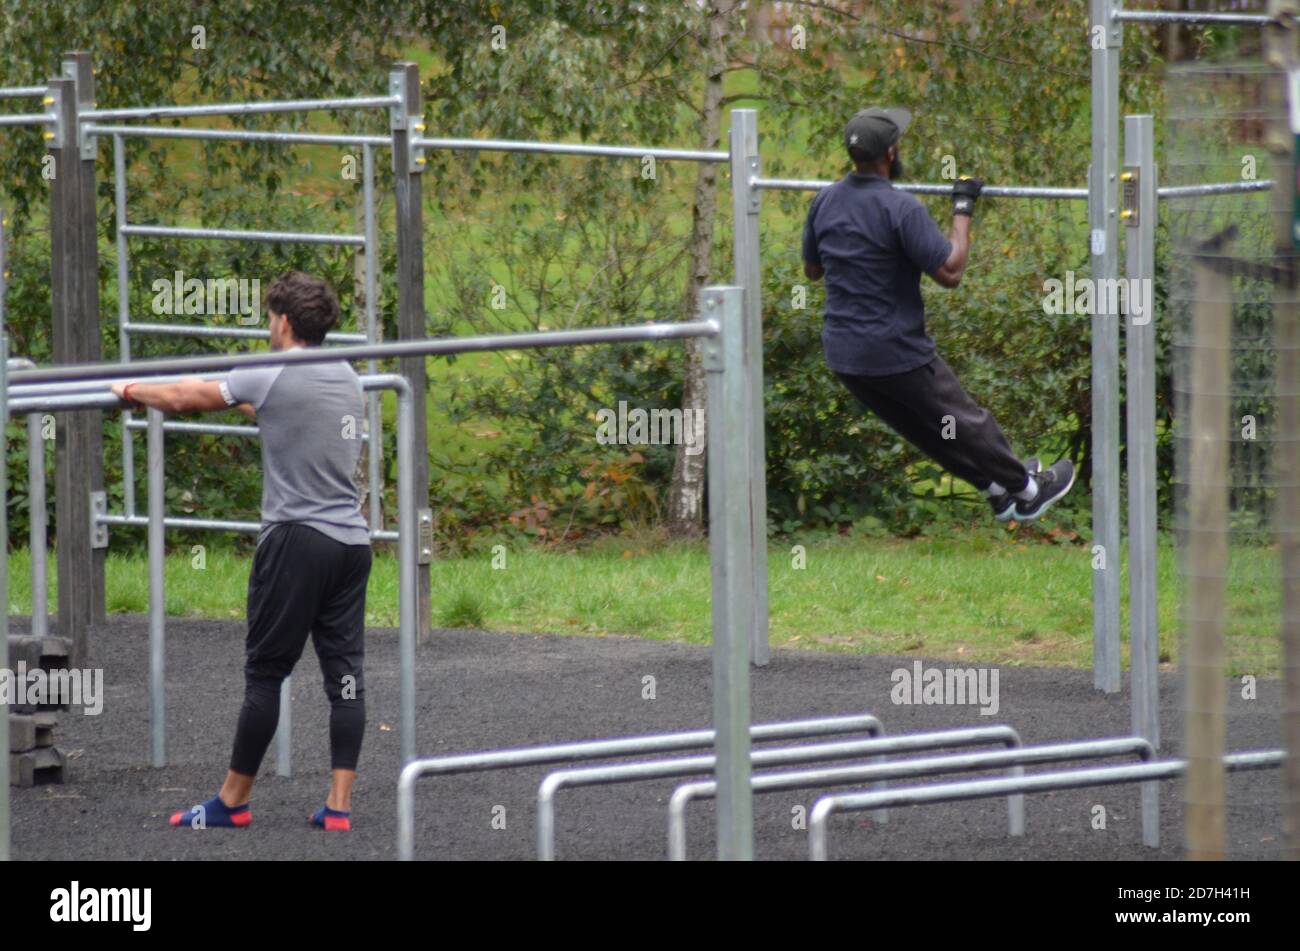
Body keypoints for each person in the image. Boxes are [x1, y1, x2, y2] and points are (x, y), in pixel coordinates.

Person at [112, 271, 372, 832]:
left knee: (265, 672)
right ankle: (338, 808)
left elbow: (186, 398)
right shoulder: (349, 378)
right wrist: (243, 403)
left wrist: (128, 390)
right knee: (345, 677)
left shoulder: (271, 368)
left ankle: (232, 802)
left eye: (268, 318)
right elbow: (289, 419)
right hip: (352, 543)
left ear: (282, 322)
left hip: (297, 541)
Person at [802, 107, 1074, 522]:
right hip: (894, 350)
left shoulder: (824, 201)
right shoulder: (901, 208)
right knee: (965, 419)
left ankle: (996, 488)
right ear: (891, 153)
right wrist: (962, 208)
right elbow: (951, 271)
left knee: (928, 430)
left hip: (845, 356)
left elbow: (813, 270)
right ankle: (1029, 488)